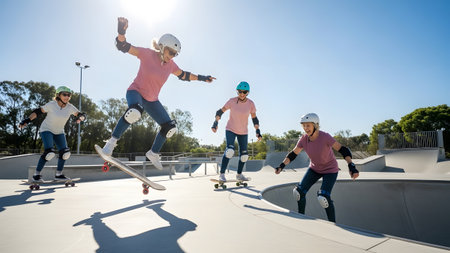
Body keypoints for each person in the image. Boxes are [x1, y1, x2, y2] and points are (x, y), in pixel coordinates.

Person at [102, 17, 216, 169]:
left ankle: (153, 153)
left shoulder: (171, 65)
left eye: (175, 54)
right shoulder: (146, 54)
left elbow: (184, 76)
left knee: (170, 127)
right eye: (170, 52)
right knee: (134, 112)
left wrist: (203, 78)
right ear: (162, 47)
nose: (172, 56)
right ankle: (112, 142)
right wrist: (121, 31)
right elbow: (123, 46)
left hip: (152, 100)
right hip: (135, 91)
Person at [274, 113, 359, 222]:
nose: (305, 128)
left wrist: (351, 165)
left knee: (323, 197)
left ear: (316, 125)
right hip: (314, 169)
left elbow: (343, 150)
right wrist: (281, 166)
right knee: (298, 192)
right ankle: (301, 217)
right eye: (303, 126)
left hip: (330, 170)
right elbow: (293, 154)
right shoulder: (304, 139)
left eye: (308, 125)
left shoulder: (325, 137)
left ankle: (333, 223)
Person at [19, 86, 86, 182]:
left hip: (59, 131)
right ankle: (36, 175)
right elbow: (37, 112)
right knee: (49, 153)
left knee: (65, 153)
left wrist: (81, 117)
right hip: (46, 130)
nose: (67, 97)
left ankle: (58, 175)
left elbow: (80, 114)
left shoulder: (70, 107)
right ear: (58, 95)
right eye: (64, 94)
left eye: (69, 95)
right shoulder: (51, 105)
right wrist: (27, 120)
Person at [211, 81, 262, 182]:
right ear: (237, 92)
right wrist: (215, 123)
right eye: (239, 92)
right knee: (230, 151)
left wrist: (258, 131)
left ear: (248, 92)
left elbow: (254, 118)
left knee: (244, 156)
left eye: (244, 92)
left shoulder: (250, 104)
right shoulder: (232, 101)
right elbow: (220, 112)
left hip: (243, 132)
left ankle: (239, 175)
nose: (242, 94)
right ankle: (221, 174)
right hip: (231, 129)